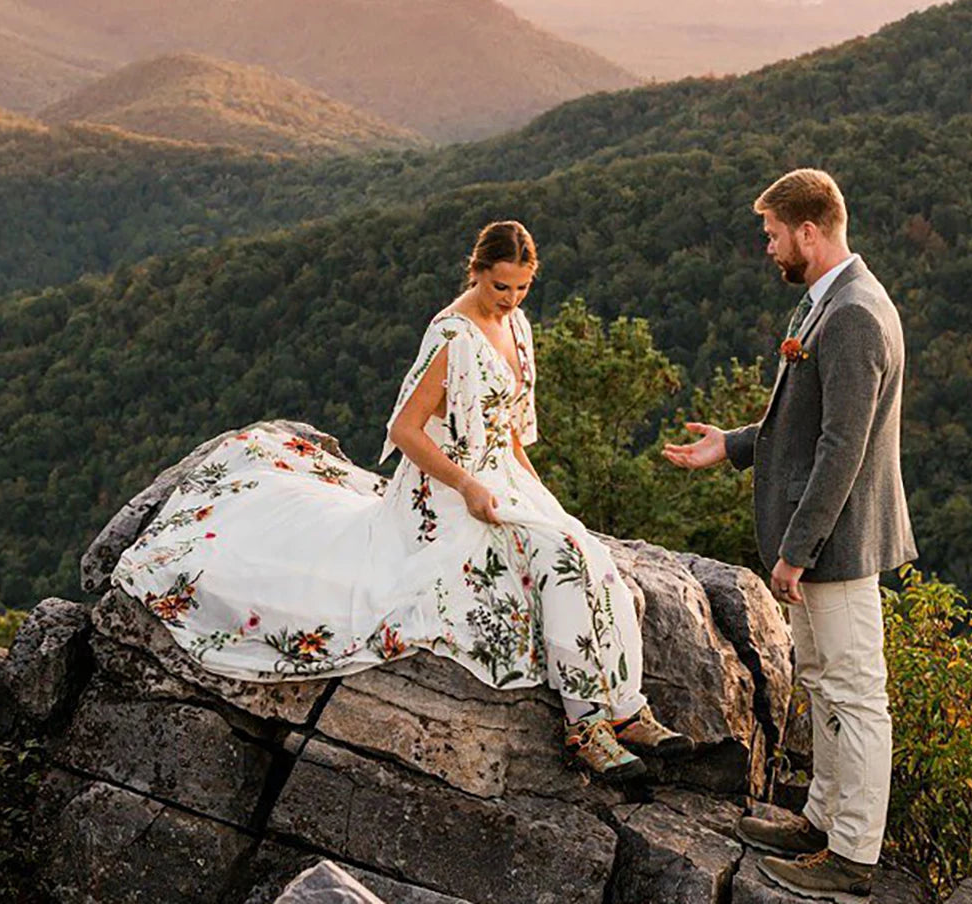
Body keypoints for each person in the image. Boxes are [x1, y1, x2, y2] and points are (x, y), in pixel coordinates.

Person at [112, 219, 692, 781]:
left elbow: (511, 430)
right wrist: (467, 486)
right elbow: (405, 431)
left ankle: (627, 708)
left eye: (521, 288)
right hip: (443, 490)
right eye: (499, 287)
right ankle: (585, 725)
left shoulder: (518, 327)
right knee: (558, 560)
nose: (510, 299)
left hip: (503, 476)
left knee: (587, 553)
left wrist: (538, 494)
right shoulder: (451, 334)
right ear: (476, 273)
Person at [664, 170, 917, 900]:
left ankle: (853, 855)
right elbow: (801, 426)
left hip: (832, 550)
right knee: (826, 687)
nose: (768, 245)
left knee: (856, 694)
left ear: (810, 231)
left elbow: (844, 447)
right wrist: (733, 444)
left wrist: (797, 551)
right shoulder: (830, 304)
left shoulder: (855, 316)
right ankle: (820, 821)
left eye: (774, 233)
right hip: (817, 549)